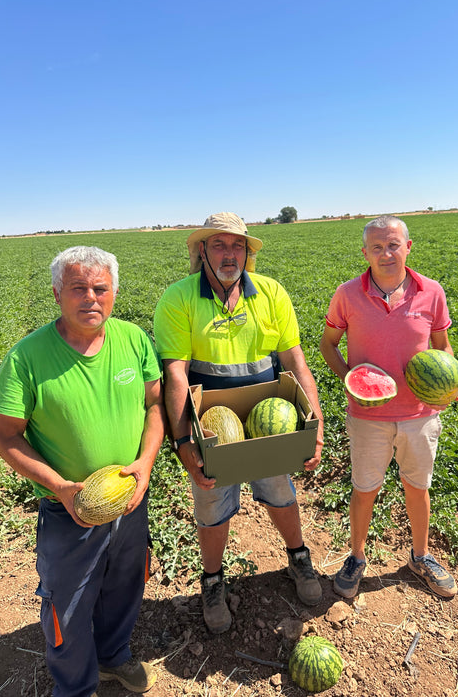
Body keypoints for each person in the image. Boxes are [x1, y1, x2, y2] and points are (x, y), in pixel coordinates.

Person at [0, 246, 166, 697]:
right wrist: (60, 486)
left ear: (114, 292)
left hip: (129, 500)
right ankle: (75, 687)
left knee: (126, 585)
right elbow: (5, 437)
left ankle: (112, 658)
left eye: (100, 288)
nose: (91, 297)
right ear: (56, 294)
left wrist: (146, 462)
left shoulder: (133, 339)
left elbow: (154, 405)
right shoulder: (26, 358)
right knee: (66, 607)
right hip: (68, 511)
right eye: (78, 288)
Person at [153, 212, 325, 634]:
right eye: (219, 245)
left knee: (280, 492)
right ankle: (212, 581)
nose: (229, 254)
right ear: (201, 252)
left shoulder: (271, 293)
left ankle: (299, 557)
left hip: (269, 424)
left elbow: (295, 361)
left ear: (247, 253)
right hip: (212, 427)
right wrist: (182, 441)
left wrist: (314, 422)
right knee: (211, 505)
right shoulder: (177, 299)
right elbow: (176, 374)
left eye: (237, 246)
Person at [319, 215, 458, 600]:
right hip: (367, 417)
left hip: (420, 415)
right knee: (365, 490)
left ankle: (421, 556)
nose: (386, 253)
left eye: (393, 244)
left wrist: (448, 383)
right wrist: (351, 379)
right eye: (377, 247)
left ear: (408, 247)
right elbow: (328, 344)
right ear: (365, 252)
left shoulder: (431, 292)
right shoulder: (346, 294)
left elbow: (442, 346)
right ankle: (356, 557)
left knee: (418, 488)